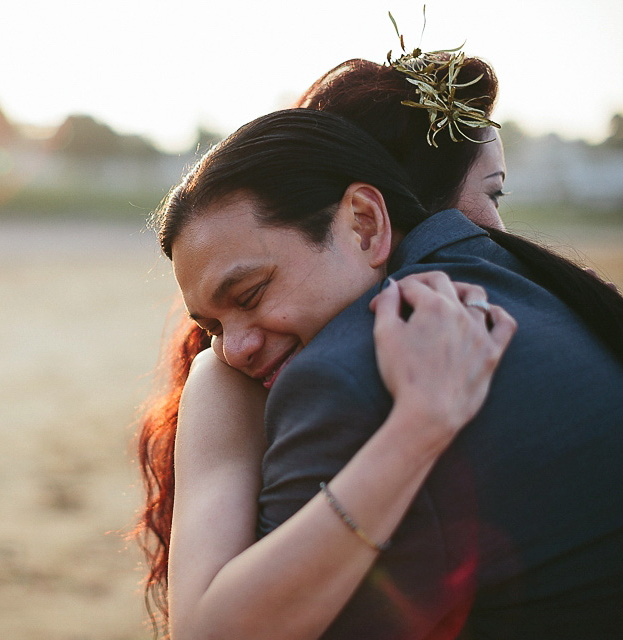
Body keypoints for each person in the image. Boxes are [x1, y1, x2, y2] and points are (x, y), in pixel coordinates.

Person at [150, 104, 623, 639]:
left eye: (252, 293)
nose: (233, 349)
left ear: (365, 223)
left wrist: (415, 430)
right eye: (210, 324)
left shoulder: (345, 377)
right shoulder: (537, 287)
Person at [135, 53, 511, 632]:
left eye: (498, 195)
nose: (491, 234)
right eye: (492, 194)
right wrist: (418, 429)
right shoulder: (227, 381)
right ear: (365, 221)